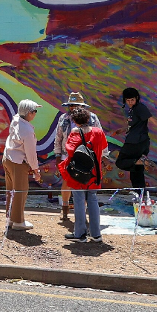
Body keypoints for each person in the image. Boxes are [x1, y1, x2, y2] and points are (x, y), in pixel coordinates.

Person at [59, 100, 110, 243]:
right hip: (95, 173)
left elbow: (70, 151)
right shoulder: (99, 132)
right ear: (88, 119)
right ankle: (96, 234)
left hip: (79, 174)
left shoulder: (75, 133)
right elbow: (104, 148)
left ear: (75, 121)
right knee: (93, 200)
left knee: (79, 201)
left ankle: (80, 234)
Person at [52, 91, 102, 224]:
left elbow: (99, 136)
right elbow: (58, 138)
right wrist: (57, 155)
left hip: (87, 156)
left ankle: (83, 215)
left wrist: (102, 156)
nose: (73, 108)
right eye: (71, 105)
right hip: (67, 154)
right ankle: (65, 209)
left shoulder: (92, 119)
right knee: (67, 182)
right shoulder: (63, 119)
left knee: (84, 182)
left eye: (76, 105)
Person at [2, 100, 41, 236]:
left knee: (11, 191)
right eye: (34, 111)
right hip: (18, 162)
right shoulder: (27, 130)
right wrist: (36, 170)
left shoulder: (16, 119)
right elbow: (31, 153)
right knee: (20, 191)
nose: (36, 114)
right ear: (29, 113)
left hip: (8, 158)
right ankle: (18, 222)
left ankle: (11, 219)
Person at [114, 87, 152, 192]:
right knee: (136, 170)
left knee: (120, 162)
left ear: (136, 98)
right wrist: (123, 129)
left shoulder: (139, 108)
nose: (130, 102)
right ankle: (140, 194)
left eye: (132, 100)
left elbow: (154, 121)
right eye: (128, 100)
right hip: (141, 142)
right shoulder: (133, 110)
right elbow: (134, 125)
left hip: (135, 142)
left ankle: (142, 161)